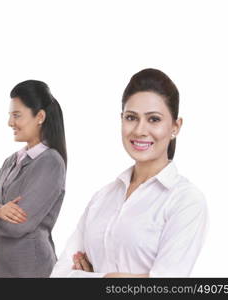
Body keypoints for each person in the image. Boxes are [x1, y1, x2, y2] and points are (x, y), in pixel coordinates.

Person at [51, 68, 208, 277]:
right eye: (131, 117)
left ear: (175, 127)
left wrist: (91, 275)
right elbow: (59, 274)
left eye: (154, 119)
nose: (140, 130)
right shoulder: (103, 197)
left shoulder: (185, 201)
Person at [0, 80, 67, 277]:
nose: (10, 123)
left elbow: (18, 225)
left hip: (30, 270)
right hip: (2, 267)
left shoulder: (50, 162)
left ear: (40, 116)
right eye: (10, 116)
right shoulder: (11, 161)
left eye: (16, 115)